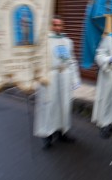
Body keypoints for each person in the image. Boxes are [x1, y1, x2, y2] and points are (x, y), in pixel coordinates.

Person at [33, 16, 81, 149]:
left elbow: (72, 60)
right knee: (48, 106)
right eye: (55, 25)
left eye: (60, 25)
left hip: (65, 75)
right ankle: (47, 135)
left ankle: (62, 132)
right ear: (50, 26)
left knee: (64, 106)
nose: (58, 28)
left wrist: (75, 78)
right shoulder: (43, 41)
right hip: (50, 77)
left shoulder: (67, 41)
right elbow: (36, 61)